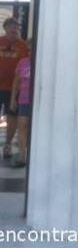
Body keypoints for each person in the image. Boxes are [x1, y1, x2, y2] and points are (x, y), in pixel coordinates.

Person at [0, 17, 28, 160]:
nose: (14, 29)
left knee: (12, 118)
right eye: (11, 26)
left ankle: (8, 145)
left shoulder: (23, 46)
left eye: (16, 27)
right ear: (5, 28)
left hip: (13, 89)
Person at [9, 39, 32, 168]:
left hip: (38, 102)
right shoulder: (22, 63)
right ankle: (23, 157)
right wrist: (13, 99)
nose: (30, 53)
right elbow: (16, 82)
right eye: (28, 50)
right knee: (22, 127)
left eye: (32, 50)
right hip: (23, 100)